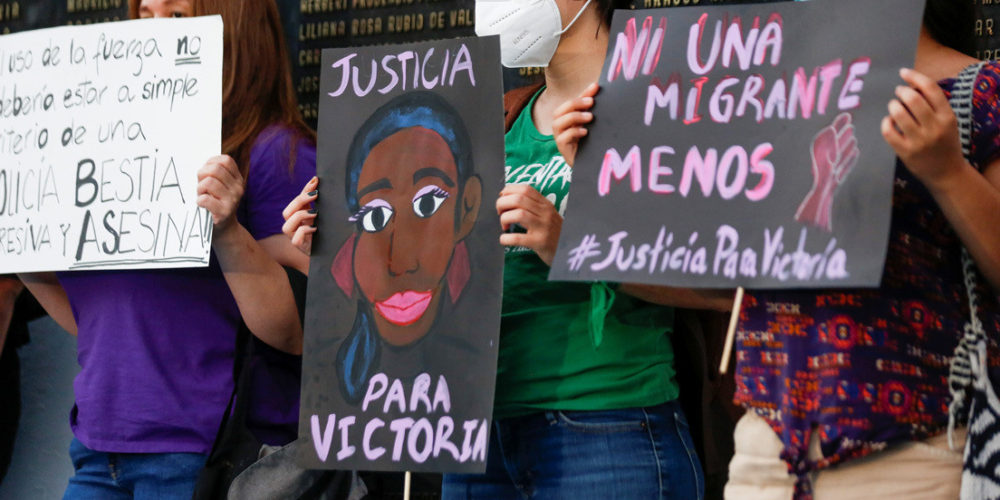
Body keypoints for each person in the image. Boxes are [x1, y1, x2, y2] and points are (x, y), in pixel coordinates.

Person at [554, 1, 1000, 498]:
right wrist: (607, 175)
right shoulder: (771, 97)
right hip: (766, 448)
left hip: (914, 448)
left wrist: (947, 172)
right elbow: (712, 272)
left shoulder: (977, 89)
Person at [284, 0, 730, 498]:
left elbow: (722, 287)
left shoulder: (661, 108)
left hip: (609, 430)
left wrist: (571, 244)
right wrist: (333, 250)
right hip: (476, 439)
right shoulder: (494, 121)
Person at [17, 0, 314, 497]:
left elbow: (296, 335)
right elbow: (96, 322)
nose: (154, 33)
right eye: (145, 14)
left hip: (203, 458)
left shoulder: (274, 154)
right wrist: (20, 244)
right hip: (96, 448)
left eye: (176, 17)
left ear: (234, 25)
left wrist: (227, 232)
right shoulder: (107, 154)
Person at [327, 91, 484, 404]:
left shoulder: (479, 351)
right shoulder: (341, 361)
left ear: (467, 207)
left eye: (427, 204)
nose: (400, 261)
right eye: (374, 217)